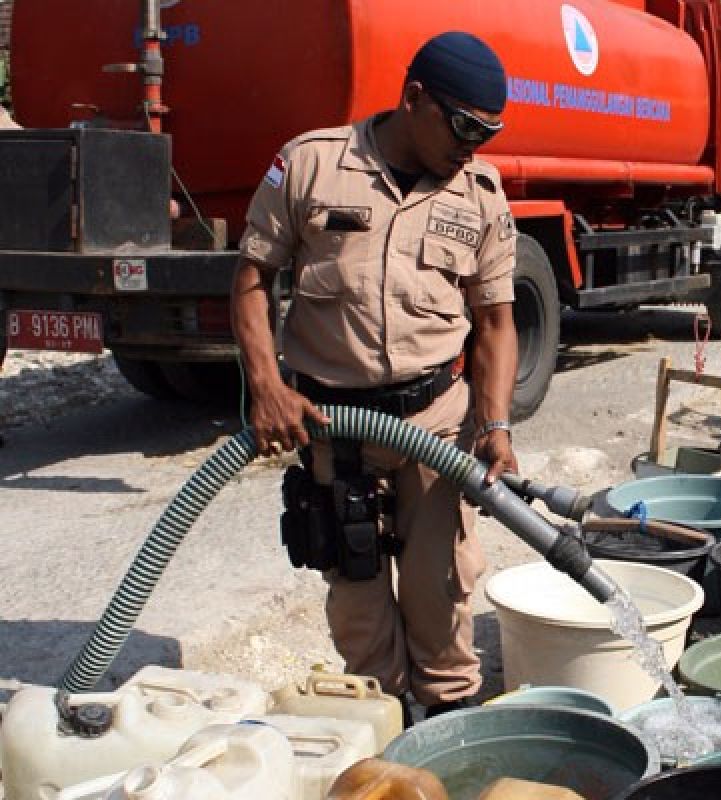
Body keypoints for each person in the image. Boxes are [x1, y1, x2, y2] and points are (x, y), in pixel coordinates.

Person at [230, 31, 519, 720]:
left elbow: (498, 323)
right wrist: (267, 387)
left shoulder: (480, 192)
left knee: (439, 597)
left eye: (489, 132)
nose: (472, 146)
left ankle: (449, 734)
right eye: (464, 127)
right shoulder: (311, 165)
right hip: (335, 430)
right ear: (414, 97)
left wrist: (497, 424)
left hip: (433, 425)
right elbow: (249, 281)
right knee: (358, 605)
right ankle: (382, 740)